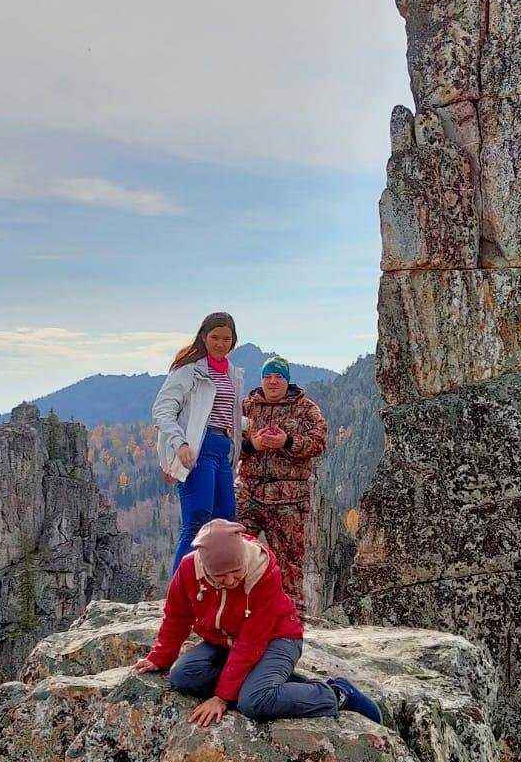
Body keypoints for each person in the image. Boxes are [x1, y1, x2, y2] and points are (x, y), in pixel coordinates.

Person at [132, 519, 381, 725]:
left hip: (278, 638)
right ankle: (263, 682)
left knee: (254, 701)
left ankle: (337, 694)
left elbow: (252, 641)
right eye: (220, 576)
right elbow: (177, 616)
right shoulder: (189, 570)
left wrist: (221, 696)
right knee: (182, 676)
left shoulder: (263, 572)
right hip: (223, 641)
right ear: (205, 569)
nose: (230, 580)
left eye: (236, 571)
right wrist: (159, 657)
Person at [236, 355, 328, 616]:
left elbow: (319, 443)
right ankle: (237, 613)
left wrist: (287, 442)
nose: (273, 381)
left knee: (289, 564)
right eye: (268, 376)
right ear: (261, 379)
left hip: (289, 500)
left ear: (287, 380)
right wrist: (251, 445)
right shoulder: (245, 408)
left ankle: (291, 620)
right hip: (249, 494)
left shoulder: (305, 408)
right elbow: (227, 446)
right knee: (238, 555)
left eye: (279, 376)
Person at [153, 311, 244, 572]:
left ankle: (213, 584)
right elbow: (162, 410)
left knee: (225, 520)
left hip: (223, 448)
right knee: (197, 519)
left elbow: (229, 415)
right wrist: (179, 445)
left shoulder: (233, 374)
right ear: (204, 337)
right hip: (197, 449)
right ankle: (179, 592)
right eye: (215, 337)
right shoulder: (189, 372)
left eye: (226, 338)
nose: (220, 343)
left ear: (233, 341)